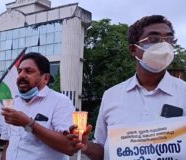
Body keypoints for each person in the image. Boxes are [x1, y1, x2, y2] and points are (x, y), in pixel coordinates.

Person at [68, 15, 186, 160]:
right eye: (154, 39)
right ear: (133, 49)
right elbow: (103, 151)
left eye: (169, 40)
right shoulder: (111, 95)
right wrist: (85, 146)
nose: (164, 46)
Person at [1, 52, 76, 160]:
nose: (21, 75)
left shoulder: (60, 102)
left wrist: (29, 124)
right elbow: (8, 144)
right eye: (19, 71)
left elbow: (68, 147)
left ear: (45, 78)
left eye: (28, 71)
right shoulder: (14, 103)